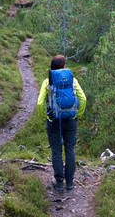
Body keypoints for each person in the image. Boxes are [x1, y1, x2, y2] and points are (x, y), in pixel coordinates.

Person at [36, 55, 86, 192]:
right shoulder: (72, 80)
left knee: (56, 151)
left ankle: (59, 183)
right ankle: (69, 183)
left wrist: (46, 116)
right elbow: (83, 98)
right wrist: (77, 114)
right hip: (70, 120)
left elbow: (40, 103)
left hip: (54, 121)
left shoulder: (48, 81)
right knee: (70, 149)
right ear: (64, 67)